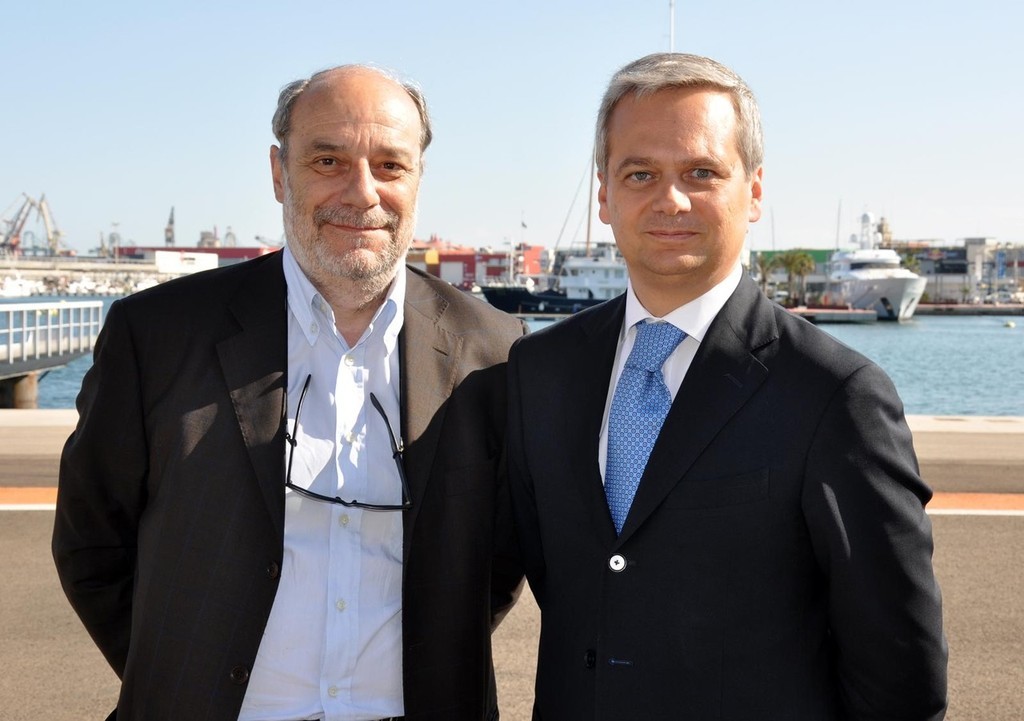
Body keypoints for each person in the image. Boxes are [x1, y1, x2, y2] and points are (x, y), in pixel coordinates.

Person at [53, 65, 526, 721]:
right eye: (328, 159)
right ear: (280, 173)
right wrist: (182, 673)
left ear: (418, 178)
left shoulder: (496, 351)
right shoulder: (158, 335)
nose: (362, 193)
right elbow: (91, 542)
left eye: (390, 165)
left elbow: (497, 561)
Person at [506, 52, 947, 720]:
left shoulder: (834, 395)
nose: (670, 198)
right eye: (640, 173)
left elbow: (900, 674)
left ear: (755, 189)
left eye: (702, 172)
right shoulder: (539, 372)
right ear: (604, 194)